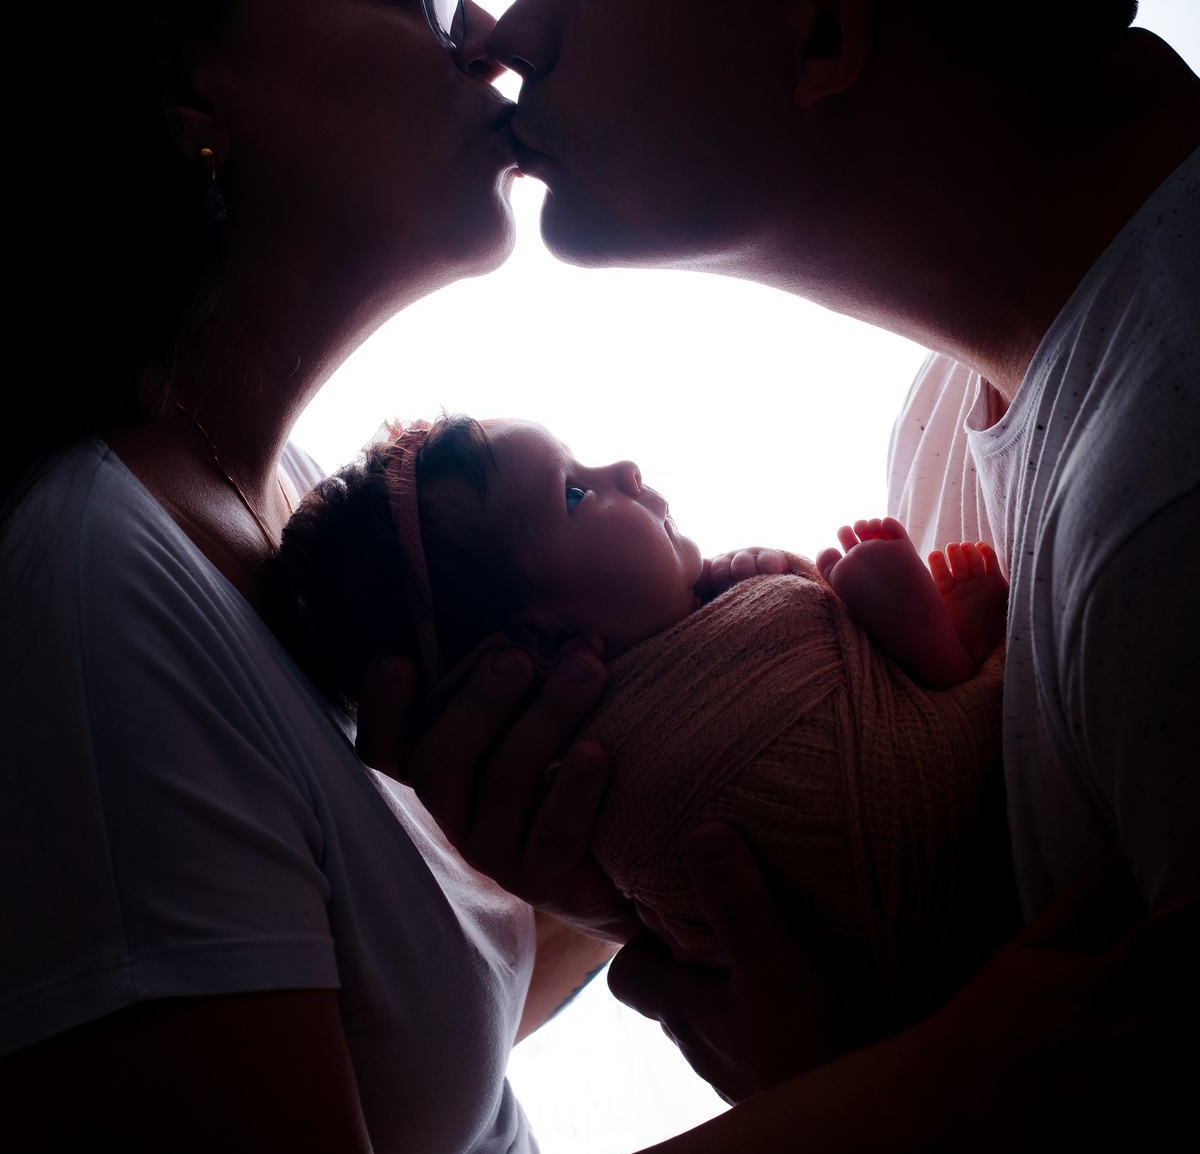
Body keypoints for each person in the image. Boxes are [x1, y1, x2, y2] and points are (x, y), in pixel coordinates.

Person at [0, 0, 1170, 1154]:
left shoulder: (285, 527)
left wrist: (596, 869)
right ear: (187, 86)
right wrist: (927, 1102)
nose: (487, 29)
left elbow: (378, 1083)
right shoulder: (89, 579)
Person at [480, 0, 1200, 1154]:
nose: (509, 31)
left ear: (817, 19)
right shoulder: (957, 411)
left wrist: (844, 1120)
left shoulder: (1179, 483)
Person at [269, 412, 1010, 1018]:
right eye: (573, 494)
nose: (623, 471)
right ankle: (957, 659)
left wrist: (770, 582)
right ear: (540, 641)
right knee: (868, 579)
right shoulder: (609, 774)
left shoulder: (584, 789)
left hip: (919, 989)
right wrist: (804, 591)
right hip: (956, 841)